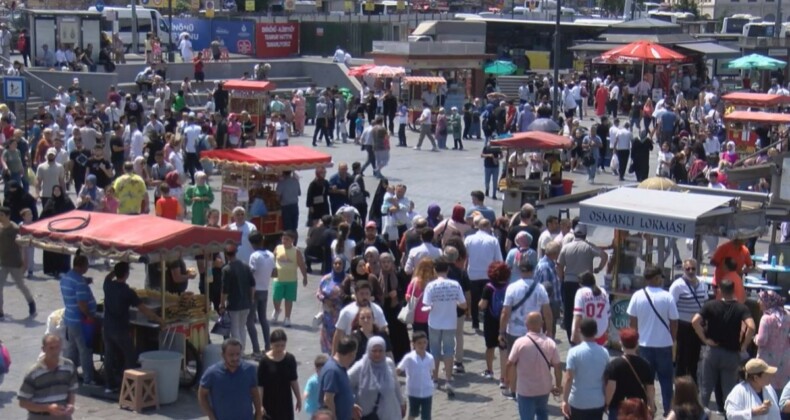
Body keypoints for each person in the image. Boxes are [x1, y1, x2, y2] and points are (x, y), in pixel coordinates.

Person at [693, 279, 755, 409]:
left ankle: (699, 416)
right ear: (733, 290)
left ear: (720, 290)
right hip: (731, 354)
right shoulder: (741, 308)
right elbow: (751, 327)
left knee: (705, 390)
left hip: (712, 352)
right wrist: (743, 345)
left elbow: (695, 321)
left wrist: (704, 339)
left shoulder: (710, 305)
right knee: (729, 393)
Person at [102, 262, 162, 392]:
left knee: (109, 356)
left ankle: (109, 385)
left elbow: (108, 277)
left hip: (107, 327)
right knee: (130, 356)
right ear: (127, 274)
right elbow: (143, 309)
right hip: (121, 329)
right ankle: (129, 385)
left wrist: (116, 270)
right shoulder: (127, 292)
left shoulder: (107, 285)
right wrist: (158, 319)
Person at [627, 266, 679, 415]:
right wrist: (672, 339)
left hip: (644, 345)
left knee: (645, 381)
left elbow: (632, 322)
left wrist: (635, 342)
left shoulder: (637, 296)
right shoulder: (667, 296)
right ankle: (668, 411)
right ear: (657, 278)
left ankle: (648, 409)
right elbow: (674, 322)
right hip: (664, 345)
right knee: (666, 381)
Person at [499, 259, 554, 398]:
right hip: (535, 332)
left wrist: (501, 331)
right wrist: (550, 331)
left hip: (515, 331)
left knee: (514, 361)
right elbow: (547, 312)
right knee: (533, 361)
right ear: (533, 271)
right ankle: (533, 389)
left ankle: (512, 389)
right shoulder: (540, 288)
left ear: (519, 271)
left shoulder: (512, 287)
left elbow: (505, 312)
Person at [422, 257, 467, 397]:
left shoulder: (430, 286)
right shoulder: (455, 284)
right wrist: (454, 303)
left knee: (434, 350)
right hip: (450, 322)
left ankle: (435, 379)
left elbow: (426, 304)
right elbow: (464, 305)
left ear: (435, 270)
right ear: (447, 269)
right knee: (449, 351)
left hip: (434, 322)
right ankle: (448, 379)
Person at [507, 312, 563, 420]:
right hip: (544, 388)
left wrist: (507, 379)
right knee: (542, 414)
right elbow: (557, 366)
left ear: (526, 325)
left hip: (525, 390)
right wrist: (558, 385)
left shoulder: (520, 343)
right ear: (542, 324)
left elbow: (509, 363)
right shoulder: (550, 343)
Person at [557, 224, 608, 341]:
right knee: (583, 311)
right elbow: (604, 255)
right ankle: (584, 335)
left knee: (569, 311)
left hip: (569, 282)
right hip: (585, 283)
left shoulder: (566, 247)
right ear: (585, 235)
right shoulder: (588, 247)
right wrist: (599, 269)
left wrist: (562, 278)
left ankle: (571, 336)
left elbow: (559, 265)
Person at [198, 338, 262, 420]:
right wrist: (211, 416)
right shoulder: (212, 373)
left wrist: (259, 414)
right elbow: (202, 395)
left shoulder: (249, 370)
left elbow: (255, 394)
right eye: (231, 355)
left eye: (238, 354)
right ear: (223, 355)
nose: (235, 358)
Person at [18, 334, 77, 420]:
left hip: (63, 416)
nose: (55, 351)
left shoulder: (68, 366)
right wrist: (48, 408)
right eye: (51, 348)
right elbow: (23, 402)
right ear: (43, 349)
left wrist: (71, 405)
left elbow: (72, 390)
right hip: (40, 417)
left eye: (57, 347)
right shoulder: (34, 372)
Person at [561, 318, 609, 420]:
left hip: (578, 401)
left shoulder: (573, 352)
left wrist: (564, 400)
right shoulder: (604, 353)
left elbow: (569, 378)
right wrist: (606, 400)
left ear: (580, 331)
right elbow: (606, 379)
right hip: (597, 401)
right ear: (596, 332)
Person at [58, 255, 96, 385]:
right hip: (80, 321)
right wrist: (89, 314)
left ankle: (67, 375)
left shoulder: (66, 277)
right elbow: (82, 303)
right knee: (84, 350)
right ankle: (88, 379)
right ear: (82, 266)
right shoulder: (79, 281)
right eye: (86, 265)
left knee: (72, 349)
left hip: (69, 318)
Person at [669, 258, 708, 381]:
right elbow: (671, 306)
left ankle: (692, 385)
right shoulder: (677, 286)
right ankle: (680, 383)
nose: (691, 271)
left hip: (697, 327)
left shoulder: (703, 284)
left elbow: (705, 302)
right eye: (688, 269)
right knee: (681, 357)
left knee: (694, 357)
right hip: (682, 326)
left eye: (693, 268)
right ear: (683, 270)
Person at [604, 328, 656, 419]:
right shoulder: (645, 365)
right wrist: (651, 404)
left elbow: (611, 387)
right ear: (637, 344)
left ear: (621, 343)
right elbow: (650, 388)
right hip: (638, 409)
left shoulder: (614, 365)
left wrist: (606, 404)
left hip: (618, 408)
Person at [348, 336, 405, 420]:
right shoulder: (360, 367)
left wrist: (401, 402)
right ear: (368, 350)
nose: (377, 354)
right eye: (374, 351)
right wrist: (352, 404)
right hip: (369, 415)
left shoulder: (388, 363)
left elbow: (396, 384)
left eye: (380, 351)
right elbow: (344, 384)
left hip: (391, 414)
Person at [465, 218, 504, 330]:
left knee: (474, 299)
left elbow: (465, 256)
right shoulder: (493, 240)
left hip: (473, 274)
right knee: (488, 299)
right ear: (488, 227)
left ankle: (475, 322)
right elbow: (499, 259)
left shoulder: (469, 239)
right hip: (488, 275)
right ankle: (487, 320)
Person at [0, 206, 36, 319]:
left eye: (2, 215)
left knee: (20, 285)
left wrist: (24, 262)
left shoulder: (15, 229)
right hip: (2, 262)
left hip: (14, 263)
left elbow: (22, 247)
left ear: (8, 216)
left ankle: (31, 302)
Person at [258, 329, 302, 420]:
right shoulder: (264, 361)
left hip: (285, 401)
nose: (280, 348)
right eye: (277, 345)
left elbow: (293, 380)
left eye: (283, 345)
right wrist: (260, 405)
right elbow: (260, 385)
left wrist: (298, 398)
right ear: (271, 344)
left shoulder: (290, 359)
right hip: (269, 401)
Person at [219, 244, 256, 352]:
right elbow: (252, 284)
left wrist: (222, 303)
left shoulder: (226, 269)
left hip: (234, 303)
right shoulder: (245, 266)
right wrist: (252, 299)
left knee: (234, 328)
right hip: (246, 302)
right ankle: (242, 350)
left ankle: (237, 351)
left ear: (226, 255)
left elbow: (224, 290)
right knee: (242, 327)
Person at [479, 261, 511, 384]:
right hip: (504, 320)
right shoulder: (509, 287)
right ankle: (504, 376)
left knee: (490, 346)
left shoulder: (488, 287)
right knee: (503, 348)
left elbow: (482, 305)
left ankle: (490, 370)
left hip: (490, 320)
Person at [272, 230, 308, 327]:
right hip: (278, 279)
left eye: (287, 239)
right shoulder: (278, 248)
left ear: (292, 240)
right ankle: (277, 310)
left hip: (291, 280)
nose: (285, 241)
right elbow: (273, 260)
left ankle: (287, 318)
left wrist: (305, 277)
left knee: (289, 300)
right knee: (276, 298)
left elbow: (301, 265)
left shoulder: (296, 251)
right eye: (283, 239)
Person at [754, 290, 790, 389]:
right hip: (784, 359)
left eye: (761, 299)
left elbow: (761, 340)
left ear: (767, 302)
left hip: (767, 360)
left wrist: (755, 338)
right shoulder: (787, 315)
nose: (758, 302)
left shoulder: (766, 318)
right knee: (780, 391)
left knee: (766, 388)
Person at [319, 336, 361, 420]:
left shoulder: (340, 368)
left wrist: (351, 405)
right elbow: (328, 399)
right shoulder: (332, 371)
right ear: (351, 354)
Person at [248, 232, 276, 355]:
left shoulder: (254, 256)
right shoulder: (270, 255)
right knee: (263, 319)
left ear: (252, 244)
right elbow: (275, 273)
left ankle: (256, 349)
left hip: (254, 290)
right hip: (265, 289)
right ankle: (268, 346)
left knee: (249, 320)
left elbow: (250, 275)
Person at [397, 331, 435, 420]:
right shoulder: (409, 357)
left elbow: (432, 372)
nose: (422, 345)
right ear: (413, 344)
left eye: (424, 342)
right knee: (413, 413)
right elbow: (398, 369)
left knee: (426, 416)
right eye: (419, 343)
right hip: (413, 391)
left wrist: (433, 383)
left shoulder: (430, 358)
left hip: (427, 391)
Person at [571, 271, 610, 346]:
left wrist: (574, 333)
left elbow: (578, 316)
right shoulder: (603, 292)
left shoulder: (581, 292)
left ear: (581, 284)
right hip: (601, 332)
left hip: (586, 333)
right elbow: (608, 315)